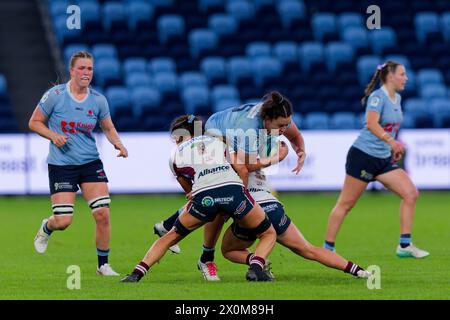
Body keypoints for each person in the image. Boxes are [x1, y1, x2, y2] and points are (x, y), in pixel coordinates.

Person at [153, 92, 306, 280]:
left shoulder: (276, 114)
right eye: (281, 125)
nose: (284, 128)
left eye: (286, 124)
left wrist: (301, 151)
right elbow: (246, 166)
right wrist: (277, 158)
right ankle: (206, 259)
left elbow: (295, 135)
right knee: (221, 203)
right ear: (268, 119)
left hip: (228, 132)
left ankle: (168, 225)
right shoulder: (249, 127)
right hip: (217, 134)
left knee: (219, 199)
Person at [120, 115, 277, 283]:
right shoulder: (220, 140)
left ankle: (136, 274)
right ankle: (255, 268)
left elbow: (190, 193)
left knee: (170, 237)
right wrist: (240, 195)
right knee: (268, 233)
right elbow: (242, 170)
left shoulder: (174, 156)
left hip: (204, 197)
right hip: (233, 191)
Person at [29, 51, 128, 276]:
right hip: (62, 165)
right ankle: (47, 226)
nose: (86, 73)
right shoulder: (55, 95)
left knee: (102, 214)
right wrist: (53, 136)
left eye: (90, 69)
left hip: (90, 163)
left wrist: (118, 144)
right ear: (72, 71)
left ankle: (103, 265)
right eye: (81, 68)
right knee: (63, 221)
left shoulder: (98, 100)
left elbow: (108, 127)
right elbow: (34, 122)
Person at [323, 61, 429, 258]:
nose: (406, 78)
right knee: (346, 204)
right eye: (402, 74)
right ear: (390, 76)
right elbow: (371, 124)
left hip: (382, 159)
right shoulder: (377, 97)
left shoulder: (397, 98)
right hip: (363, 156)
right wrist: (392, 141)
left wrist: (392, 146)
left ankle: (404, 245)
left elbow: (390, 129)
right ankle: (327, 249)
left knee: (411, 193)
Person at [221, 168, 371, 279]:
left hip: (250, 209)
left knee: (228, 251)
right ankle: (359, 271)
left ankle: (257, 261)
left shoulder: (233, 158)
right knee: (309, 250)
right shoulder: (256, 157)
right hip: (272, 207)